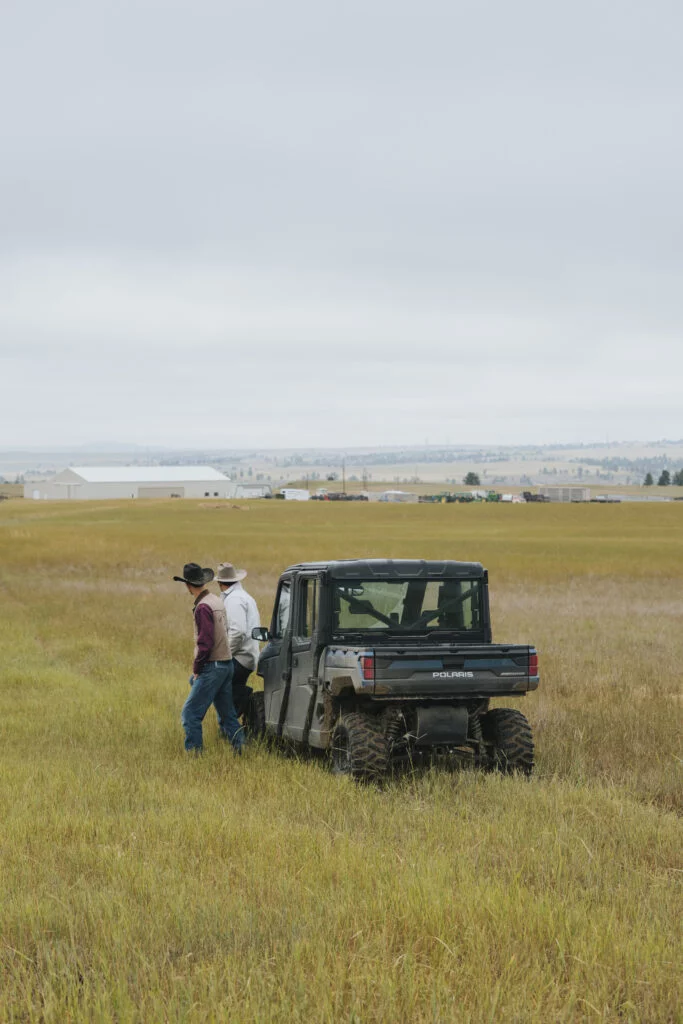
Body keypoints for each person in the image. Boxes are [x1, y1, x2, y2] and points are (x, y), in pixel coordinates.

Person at [172, 562, 243, 754]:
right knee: (228, 714)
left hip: (213, 666)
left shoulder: (203, 607)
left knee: (190, 714)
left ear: (187, 585)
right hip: (226, 664)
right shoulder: (216, 600)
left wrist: (197, 669)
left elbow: (205, 643)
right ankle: (240, 749)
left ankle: (195, 755)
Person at [215, 562, 260, 718]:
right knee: (228, 694)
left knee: (217, 690)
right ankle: (242, 700)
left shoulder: (234, 600)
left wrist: (223, 655)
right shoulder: (245, 597)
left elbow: (238, 632)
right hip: (247, 656)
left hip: (239, 657)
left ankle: (244, 699)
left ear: (220, 583)